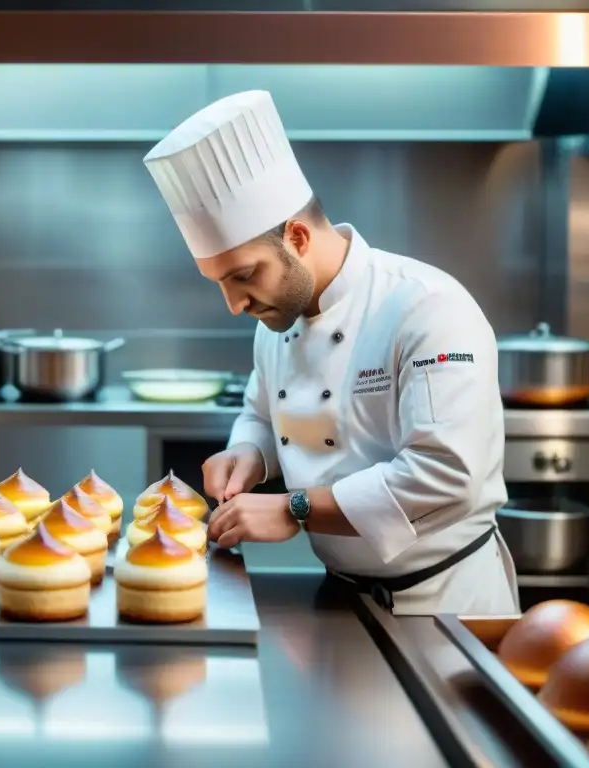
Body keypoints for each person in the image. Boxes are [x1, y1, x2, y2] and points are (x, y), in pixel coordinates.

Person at [142, 90, 519, 615]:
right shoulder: (276, 318)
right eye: (219, 283)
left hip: (447, 603)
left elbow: (445, 474)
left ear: (296, 236)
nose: (233, 304)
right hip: (340, 595)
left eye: (244, 275)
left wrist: (296, 510)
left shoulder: (426, 307)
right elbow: (261, 411)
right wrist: (248, 452)